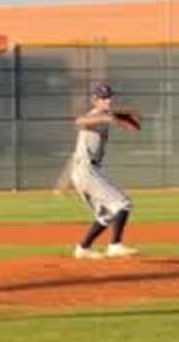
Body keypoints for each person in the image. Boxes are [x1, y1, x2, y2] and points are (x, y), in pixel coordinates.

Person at [60, 82, 140, 260]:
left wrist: (120, 115)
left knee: (105, 215)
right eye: (103, 98)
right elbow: (79, 121)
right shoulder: (95, 116)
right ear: (94, 100)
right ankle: (115, 245)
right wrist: (109, 118)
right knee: (123, 204)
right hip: (87, 169)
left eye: (109, 97)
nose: (108, 100)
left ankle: (83, 248)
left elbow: (134, 122)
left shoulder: (104, 115)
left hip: (84, 170)